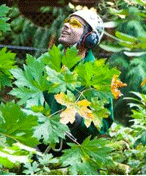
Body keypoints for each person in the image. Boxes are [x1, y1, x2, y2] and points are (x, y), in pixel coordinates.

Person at [40, 10, 114, 155]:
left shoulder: (98, 75)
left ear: (90, 38)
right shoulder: (45, 62)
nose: (66, 25)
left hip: (73, 152)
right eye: (67, 21)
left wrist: (79, 120)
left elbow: (104, 123)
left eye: (75, 24)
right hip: (39, 145)